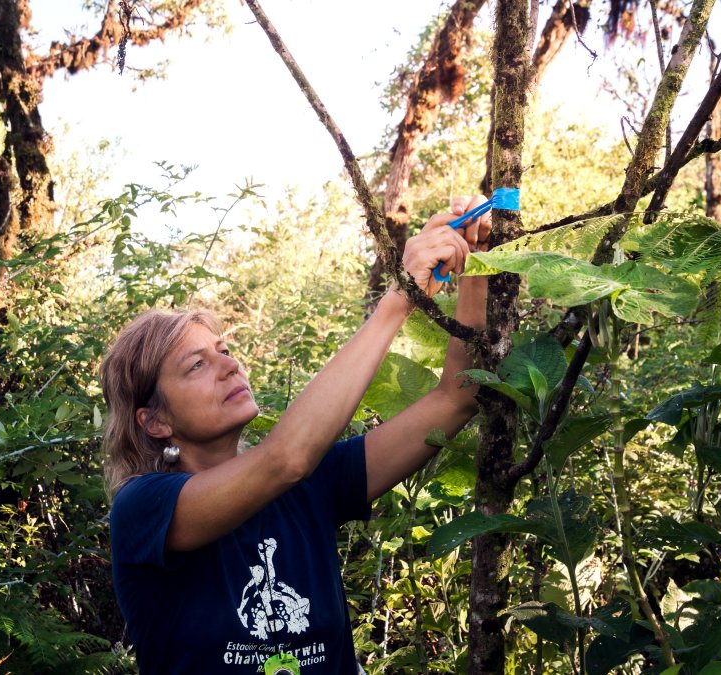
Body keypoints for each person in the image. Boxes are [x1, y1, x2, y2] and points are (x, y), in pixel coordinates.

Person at [101, 195, 492, 673]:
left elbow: (458, 396)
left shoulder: (315, 485)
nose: (230, 365)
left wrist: (477, 259)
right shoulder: (144, 508)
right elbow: (286, 458)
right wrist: (402, 297)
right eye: (197, 365)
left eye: (224, 350)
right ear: (155, 421)